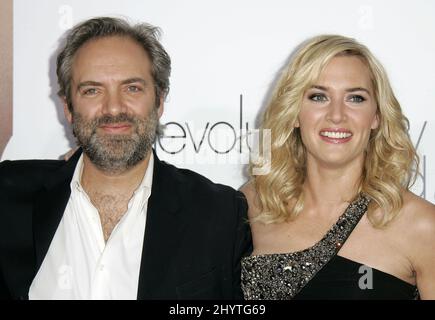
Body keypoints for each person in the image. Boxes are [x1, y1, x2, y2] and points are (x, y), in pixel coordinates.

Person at [0, 17, 252, 300]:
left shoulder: (220, 215)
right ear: (68, 108)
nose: (114, 108)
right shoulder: (7, 196)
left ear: (159, 102)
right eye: (92, 90)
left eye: (132, 88)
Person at [241, 35, 435, 299]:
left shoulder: (422, 225)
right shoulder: (256, 203)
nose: (336, 115)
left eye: (355, 98)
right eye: (318, 96)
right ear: (294, 113)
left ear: (376, 116)